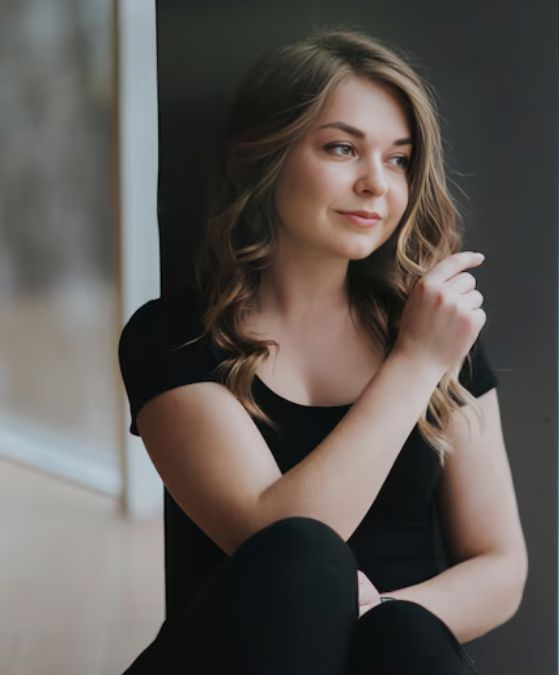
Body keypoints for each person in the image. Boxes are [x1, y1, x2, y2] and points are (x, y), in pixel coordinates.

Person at [117, 30, 526, 674]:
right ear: (266, 158)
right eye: (342, 148)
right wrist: (414, 364)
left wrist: (378, 615)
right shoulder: (174, 338)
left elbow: (501, 566)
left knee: (407, 644)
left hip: (392, 653)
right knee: (308, 555)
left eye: (398, 158)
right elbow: (281, 548)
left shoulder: (436, 330)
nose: (376, 184)